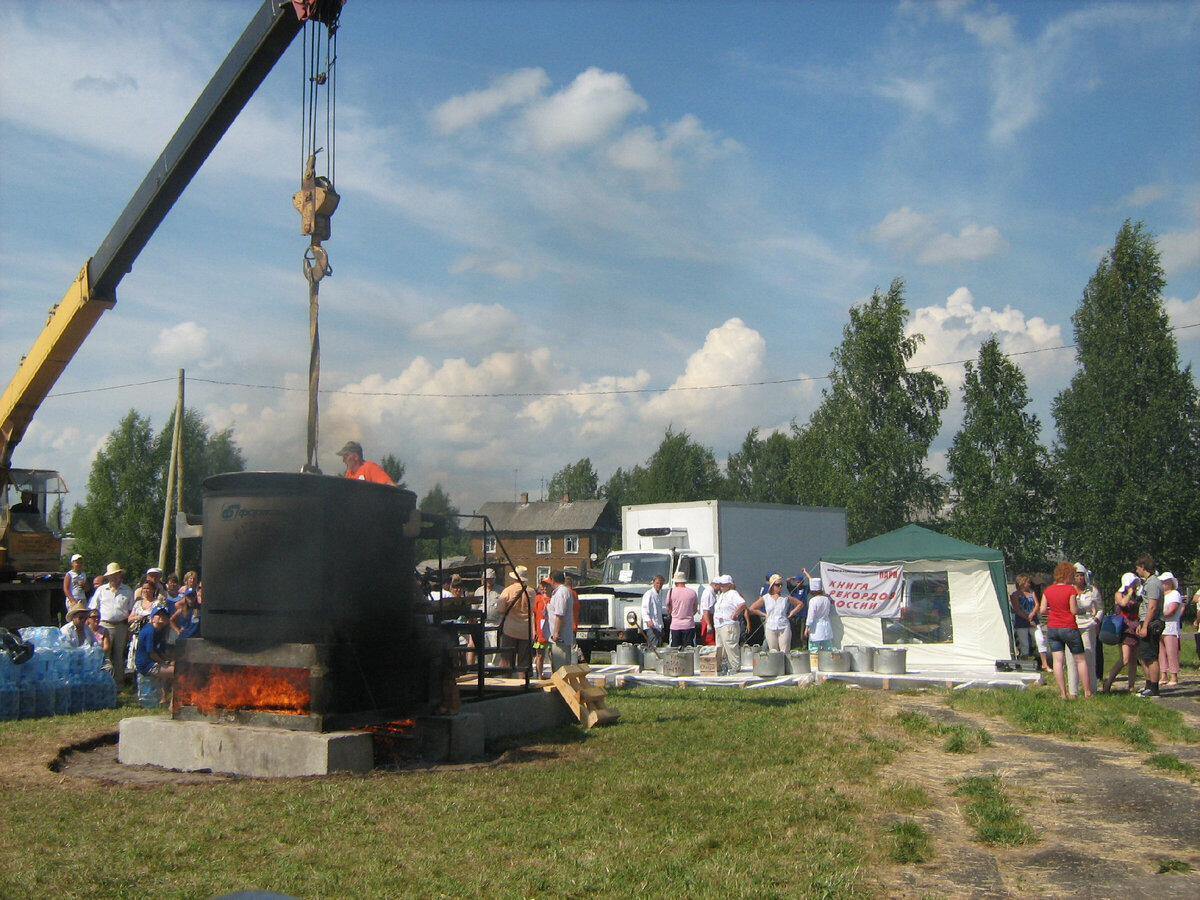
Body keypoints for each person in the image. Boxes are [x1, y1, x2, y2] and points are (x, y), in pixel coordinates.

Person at [1040, 561, 1092, 700]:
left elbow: (1043, 610)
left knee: (1058, 661)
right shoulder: (1070, 590)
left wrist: (1054, 610)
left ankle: (1063, 693)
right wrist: (1083, 609)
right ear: (1068, 575)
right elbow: (1074, 610)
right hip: (1068, 626)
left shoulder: (1048, 590)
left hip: (1053, 627)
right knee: (1080, 660)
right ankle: (1087, 692)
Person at [89, 562, 135, 688]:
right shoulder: (101, 590)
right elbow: (93, 608)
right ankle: (104, 684)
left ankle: (119, 685)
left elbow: (132, 611)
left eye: (116, 575)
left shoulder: (127, 590)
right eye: (111, 575)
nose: (114, 577)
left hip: (121, 625)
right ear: (108, 577)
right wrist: (93, 626)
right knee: (105, 655)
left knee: (119, 656)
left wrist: (129, 629)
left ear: (120, 575)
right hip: (104, 625)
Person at [1065, 563, 1103, 698]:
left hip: (1087, 625)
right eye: (1077, 575)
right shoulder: (1068, 590)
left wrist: (1096, 620)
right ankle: (1073, 691)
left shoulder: (1092, 591)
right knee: (1071, 658)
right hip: (1072, 624)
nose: (1079, 578)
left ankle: (1092, 688)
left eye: (1081, 575)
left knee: (1089, 656)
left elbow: (1100, 608)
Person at [1102, 572, 1142, 693]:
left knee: (1134, 659)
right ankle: (1108, 681)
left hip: (1135, 626)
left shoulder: (1137, 596)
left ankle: (1131, 686)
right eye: (1133, 583)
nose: (1134, 586)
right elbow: (1123, 603)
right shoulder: (1119, 594)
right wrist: (1129, 593)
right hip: (1124, 627)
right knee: (1125, 659)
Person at [1133, 555, 1164, 697]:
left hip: (1151, 622)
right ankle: (1148, 684)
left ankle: (1154, 687)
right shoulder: (1147, 583)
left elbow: (1152, 606)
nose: (1137, 570)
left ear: (1143, 567)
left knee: (1151, 656)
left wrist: (1145, 626)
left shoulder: (1153, 583)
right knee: (1144, 655)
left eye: (1138, 568)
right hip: (1144, 620)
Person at [749, 574, 804, 654]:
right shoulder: (766, 597)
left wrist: (792, 612)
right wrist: (764, 614)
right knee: (773, 651)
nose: (780, 587)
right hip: (770, 626)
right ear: (772, 586)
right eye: (778, 585)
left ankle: (785, 665)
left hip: (783, 625)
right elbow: (752, 608)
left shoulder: (786, 597)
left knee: (784, 650)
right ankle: (776, 666)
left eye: (781, 585)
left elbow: (800, 604)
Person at [134, 606, 174, 702]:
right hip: (147, 665)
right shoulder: (150, 630)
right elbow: (152, 654)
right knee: (178, 673)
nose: (161, 617)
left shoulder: (159, 631)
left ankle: (163, 698)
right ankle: (174, 704)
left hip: (154, 662)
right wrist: (166, 662)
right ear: (152, 618)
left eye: (164, 615)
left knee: (175, 667)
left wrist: (170, 661)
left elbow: (160, 651)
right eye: (158, 615)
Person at [497, 565, 533, 670]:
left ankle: (508, 683)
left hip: (510, 629)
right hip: (526, 630)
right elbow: (533, 609)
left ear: (514, 578)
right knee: (524, 662)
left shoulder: (507, 591)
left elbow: (500, 609)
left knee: (506, 660)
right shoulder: (531, 592)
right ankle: (524, 682)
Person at [712, 575, 749, 674]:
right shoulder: (722, 595)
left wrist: (735, 614)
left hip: (728, 624)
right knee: (720, 646)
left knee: (730, 645)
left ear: (729, 585)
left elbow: (742, 604)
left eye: (724, 585)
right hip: (719, 624)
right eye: (721, 585)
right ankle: (722, 666)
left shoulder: (733, 593)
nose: (722, 587)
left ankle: (735, 666)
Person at [1157, 572, 1183, 689]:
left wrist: (1159, 614)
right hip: (1160, 626)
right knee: (1161, 652)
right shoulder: (1161, 595)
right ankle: (1163, 674)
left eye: (1165, 582)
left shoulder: (1175, 594)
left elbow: (1171, 610)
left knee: (1171, 652)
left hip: (1170, 626)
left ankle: (1174, 675)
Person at [547, 569, 576, 663]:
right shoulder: (563, 591)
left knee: (560, 666)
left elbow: (560, 614)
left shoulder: (561, 593)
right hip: (562, 635)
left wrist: (556, 633)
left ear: (553, 580)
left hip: (560, 637)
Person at [665, 571, 698, 648]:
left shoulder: (670, 592)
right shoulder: (692, 593)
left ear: (675, 582)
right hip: (689, 625)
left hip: (675, 625)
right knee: (689, 650)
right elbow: (695, 609)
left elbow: (668, 608)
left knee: (675, 650)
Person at [1009, 574, 1038, 661]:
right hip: (1021, 619)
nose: (1029, 584)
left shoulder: (1031, 592)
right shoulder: (1015, 594)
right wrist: (1028, 618)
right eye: (1027, 582)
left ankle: (1043, 661)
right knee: (1023, 641)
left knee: (1039, 638)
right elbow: (1017, 609)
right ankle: (1025, 659)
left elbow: (1037, 604)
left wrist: (1032, 614)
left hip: (1033, 618)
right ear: (1022, 583)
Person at [804, 577, 834, 653]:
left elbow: (811, 615)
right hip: (826, 625)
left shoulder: (813, 601)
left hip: (816, 626)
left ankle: (814, 664)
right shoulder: (826, 599)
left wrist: (807, 627)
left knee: (814, 649)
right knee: (828, 648)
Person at [640, 574, 666, 649]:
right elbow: (644, 609)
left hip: (658, 626)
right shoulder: (649, 594)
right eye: (657, 583)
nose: (659, 585)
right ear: (653, 583)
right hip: (651, 625)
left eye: (661, 584)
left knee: (658, 646)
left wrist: (662, 627)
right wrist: (648, 620)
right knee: (653, 646)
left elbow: (659, 613)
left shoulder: (659, 596)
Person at [698, 576, 719, 646]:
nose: (720, 589)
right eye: (719, 586)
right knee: (709, 641)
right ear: (715, 585)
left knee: (711, 640)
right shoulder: (708, 593)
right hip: (708, 618)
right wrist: (709, 624)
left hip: (710, 617)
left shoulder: (712, 592)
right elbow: (706, 610)